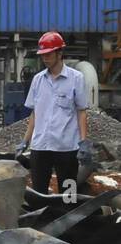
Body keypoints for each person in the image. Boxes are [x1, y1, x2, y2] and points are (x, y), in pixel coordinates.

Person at [21, 31, 91, 193]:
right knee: (38, 194)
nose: (45, 58)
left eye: (48, 54)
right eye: (42, 54)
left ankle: (69, 216)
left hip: (66, 147)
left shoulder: (76, 78)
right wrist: (25, 141)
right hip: (40, 147)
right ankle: (42, 218)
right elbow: (34, 113)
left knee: (68, 195)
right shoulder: (38, 80)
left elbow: (81, 112)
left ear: (60, 53)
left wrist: (83, 142)